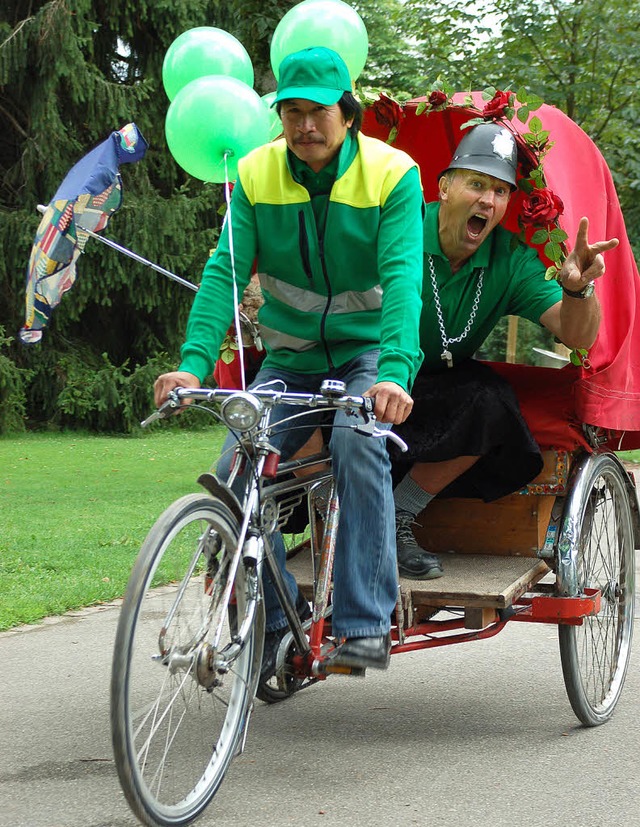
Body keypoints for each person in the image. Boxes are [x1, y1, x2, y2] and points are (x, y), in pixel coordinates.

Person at [154, 46, 425, 673]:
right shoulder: (254, 173)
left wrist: (393, 374)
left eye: (319, 112)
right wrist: (193, 365)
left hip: (366, 354)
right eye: (291, 112)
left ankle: (364, 622)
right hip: (291, 357)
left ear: (347, 113)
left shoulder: (392, 173)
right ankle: (276, 631)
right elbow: (223, 272)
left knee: (361, 442)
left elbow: (404, 279)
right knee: (234, 476)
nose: (305, 125)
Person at [390, 121, 619, 580]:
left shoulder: (509, 258)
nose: (487, 200)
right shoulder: (400, 231)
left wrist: (578, 290)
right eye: (476, 184)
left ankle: (395, 516)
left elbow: (576, 335)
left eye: (499, 191)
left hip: (439, 394)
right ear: (445, 187)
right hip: (379, 377)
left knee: (492, 401)